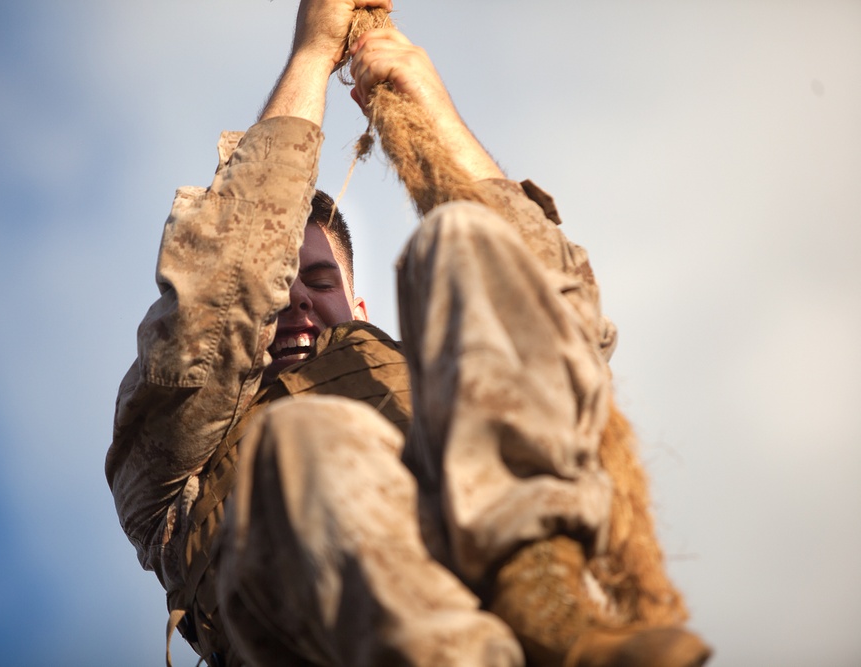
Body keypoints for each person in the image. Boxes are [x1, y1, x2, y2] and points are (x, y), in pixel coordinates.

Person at [106, 1, 711, 665]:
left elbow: (555, 320)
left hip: (509, 624)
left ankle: (540, 597)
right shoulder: (170, 450)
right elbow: (221, 296)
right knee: (297, 440)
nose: (296, 300)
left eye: (318, 280)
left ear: (359, 307)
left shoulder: (432, 395)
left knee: (460, 243)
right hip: (323, 641)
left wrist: (430, 107)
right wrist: (313, 57)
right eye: (280, 286)